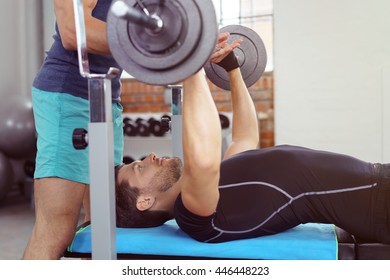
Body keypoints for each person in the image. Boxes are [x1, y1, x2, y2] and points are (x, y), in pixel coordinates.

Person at [115, 40, 390, 244]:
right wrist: (192, 67)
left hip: (380, 182)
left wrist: (232, 69)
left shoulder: (216, 187)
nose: (148, 157)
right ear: (145, 201)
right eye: (139, 167)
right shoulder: (192, 215)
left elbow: (245, 136)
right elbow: (203, 160)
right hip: (379, 204)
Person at [22, 0, 124, 259]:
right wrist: (153, 44)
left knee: (103, 224)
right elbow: (74, 30)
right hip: (68, 93)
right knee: (56, 229)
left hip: (106, 96)